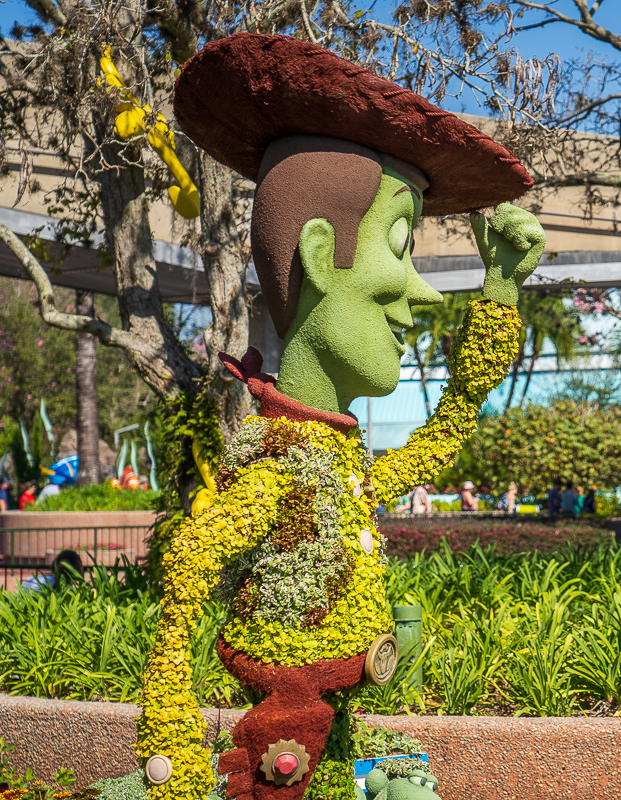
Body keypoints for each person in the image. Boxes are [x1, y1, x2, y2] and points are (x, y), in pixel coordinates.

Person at [136, 33, 544, 800]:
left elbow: (447, 430)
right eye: (403, 245)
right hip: (283, 750)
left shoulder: (331, 464)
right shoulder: (283, 466)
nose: (425, 295)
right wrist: (168, 737)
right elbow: (192, 556)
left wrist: (501, 294)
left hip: (334, 718)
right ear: (322, 258)